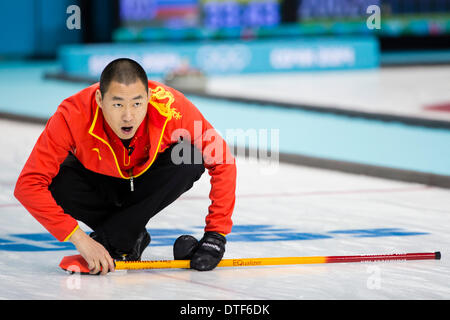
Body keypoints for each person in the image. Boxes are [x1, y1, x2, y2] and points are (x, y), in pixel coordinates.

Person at [14, 58, 236, 275]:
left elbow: (222, 158)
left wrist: (216, 235)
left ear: (149, 97)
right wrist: (79, 238)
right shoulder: (73, 114)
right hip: (98, 184)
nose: (128, 116)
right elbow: (28, 185)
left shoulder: (172, 107)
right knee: (56, 179)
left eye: (137, 103)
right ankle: (127, 235)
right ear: (100, 99)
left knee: (189, 157)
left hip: (145, 184)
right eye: (118, 104)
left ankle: (121, 239)